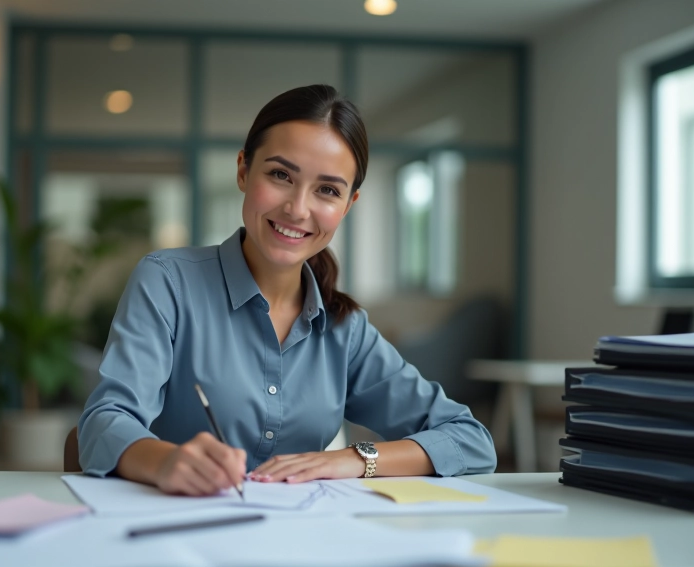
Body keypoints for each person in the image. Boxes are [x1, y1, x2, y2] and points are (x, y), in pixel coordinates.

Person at [78, 84, 497, 496]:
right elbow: (104, 421)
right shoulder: (167, 282)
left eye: (328, 190)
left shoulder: (343, 328)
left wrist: (352, 459)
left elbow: (470, 440)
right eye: (281, 175)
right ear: (243, 169)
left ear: (348, 205)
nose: (298, 209)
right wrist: (165, 461)